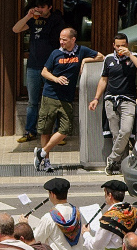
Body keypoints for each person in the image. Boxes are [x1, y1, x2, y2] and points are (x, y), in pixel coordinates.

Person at [33, 27, 101, 173]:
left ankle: (42, 152)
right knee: (46, 129)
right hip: (50, 95)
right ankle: (45, 161)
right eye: (60, 39)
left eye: (64, 39)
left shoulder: (81, 51)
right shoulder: (55, 53)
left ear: (73, 40)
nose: (61, 42)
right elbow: (44, 72)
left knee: (65, 130)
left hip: (66, 98)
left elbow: (100, 56)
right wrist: (56, 79)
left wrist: (84, 61)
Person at [11, 0, 66, 143]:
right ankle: (30, 131)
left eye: (43, 7)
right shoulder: (33, 21)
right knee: (32, 101)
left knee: (55, 100)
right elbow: (15, 29)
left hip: (51, 67)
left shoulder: (56, 20)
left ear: (49, 7)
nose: (40, 10)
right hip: (33, 66)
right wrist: (28, 16)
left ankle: (58, 133)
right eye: (38, 7)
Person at [88, 33, 137, 173]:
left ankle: (113, 158)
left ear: (127, 45)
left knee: (126, 131)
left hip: (128, 99)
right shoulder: (108, 59)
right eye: (118, 45)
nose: (120, 48)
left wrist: (130, 55)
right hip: (111, 99)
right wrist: (96, 98)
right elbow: (103, 80)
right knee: (116, 135)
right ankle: (122, 166)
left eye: (123, 45)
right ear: (113, 46)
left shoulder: (135, 57)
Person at [26, 177, 89, 250]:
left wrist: (26, 225)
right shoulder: (77, 213)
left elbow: (36, 239)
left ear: (53, 194)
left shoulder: (50, 217)